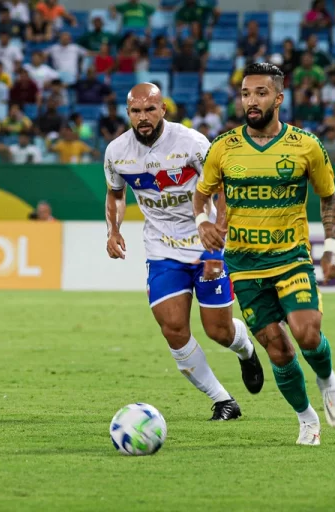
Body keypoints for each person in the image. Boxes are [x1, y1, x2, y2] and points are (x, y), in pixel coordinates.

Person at [193, 63, 335, 445]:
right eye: (246, 93)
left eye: (261, 93)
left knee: (307, 334)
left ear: (278, 98)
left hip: (290, 256)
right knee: (278, 349)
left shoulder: (306, 145)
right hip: (244, 265)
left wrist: (330, 248)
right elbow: (202, 193)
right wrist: (202, 222)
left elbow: (329, 198)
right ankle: (306, 418)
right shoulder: (223, 147)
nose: (251, 101)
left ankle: (327, 380)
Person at [103, 83, 264, 421]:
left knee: (218, 330)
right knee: (173, 328)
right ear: (128, 113)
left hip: (204, 243)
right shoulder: (117, 152)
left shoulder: (192, 143)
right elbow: (116, 194)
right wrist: (114, 229)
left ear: (164, 109)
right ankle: (224, 401)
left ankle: (246, 350)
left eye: (150, 109)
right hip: (161, 248)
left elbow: (221, 193)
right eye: (136, 111)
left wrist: (216, 242)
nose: (143, 117)